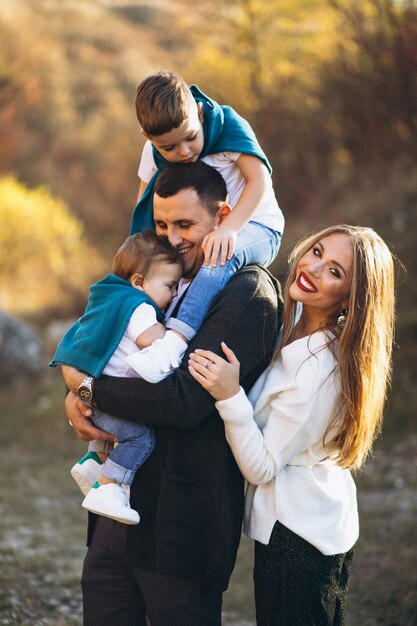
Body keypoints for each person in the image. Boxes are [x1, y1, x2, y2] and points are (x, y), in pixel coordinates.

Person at [62, 161, 282, 626]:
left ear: (223, 217)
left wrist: (90, 390)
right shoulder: (155, 274)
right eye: (162, 223)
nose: (171, 236)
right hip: (117, 508)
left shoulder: (248, 294)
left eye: (185, 224)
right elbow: (106, 347)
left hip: (184, 524)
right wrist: (82, 388)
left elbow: (183, 400)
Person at [188, 224, 396, 626]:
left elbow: (262, 466)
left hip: (299, 536)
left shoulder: (318, 369)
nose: (314, 268)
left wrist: (230, 396)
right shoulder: (294, 319)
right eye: (317, 252)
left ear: (351, 300)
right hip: (311, 520)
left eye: (335, 272)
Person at [126, 70, 284, 384]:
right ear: (148, 138)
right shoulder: (152, 152)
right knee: (156, 277)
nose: (183, 152)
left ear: (198, 112)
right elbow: (147, 201)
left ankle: (174, 344)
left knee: (221, 254)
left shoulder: (226, 124)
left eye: (190, 138)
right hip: (202, 232)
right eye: (169, 148)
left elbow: (260, 180)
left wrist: (231, 229)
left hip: (255, 226)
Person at [50, 230, 183, 525]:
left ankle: (93, 463)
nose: (174, 294)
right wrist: (178, 332)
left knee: (122, 435)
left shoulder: (108, 299)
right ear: (139, 282)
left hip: (96, 397)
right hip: (108, 401)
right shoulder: (138, 306)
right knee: (140, 437)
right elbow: (152, 340)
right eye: (170, 286)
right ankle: (110, 487)